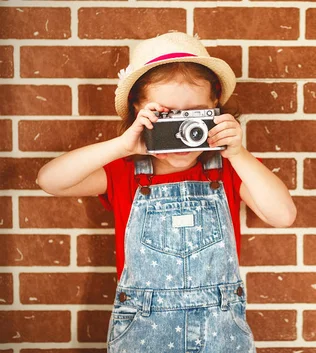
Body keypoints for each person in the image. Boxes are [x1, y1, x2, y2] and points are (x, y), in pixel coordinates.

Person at [37, 31, 296, 353]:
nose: (182, 129)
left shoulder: (230, 167)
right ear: (139, 110)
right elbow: (50, 181)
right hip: (143, 324)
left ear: (215, 107)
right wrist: (123, 145)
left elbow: (282, 215)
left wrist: (238, 154)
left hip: (220, 325)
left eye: (194, 115)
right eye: (167, 116)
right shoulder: (125, 171)